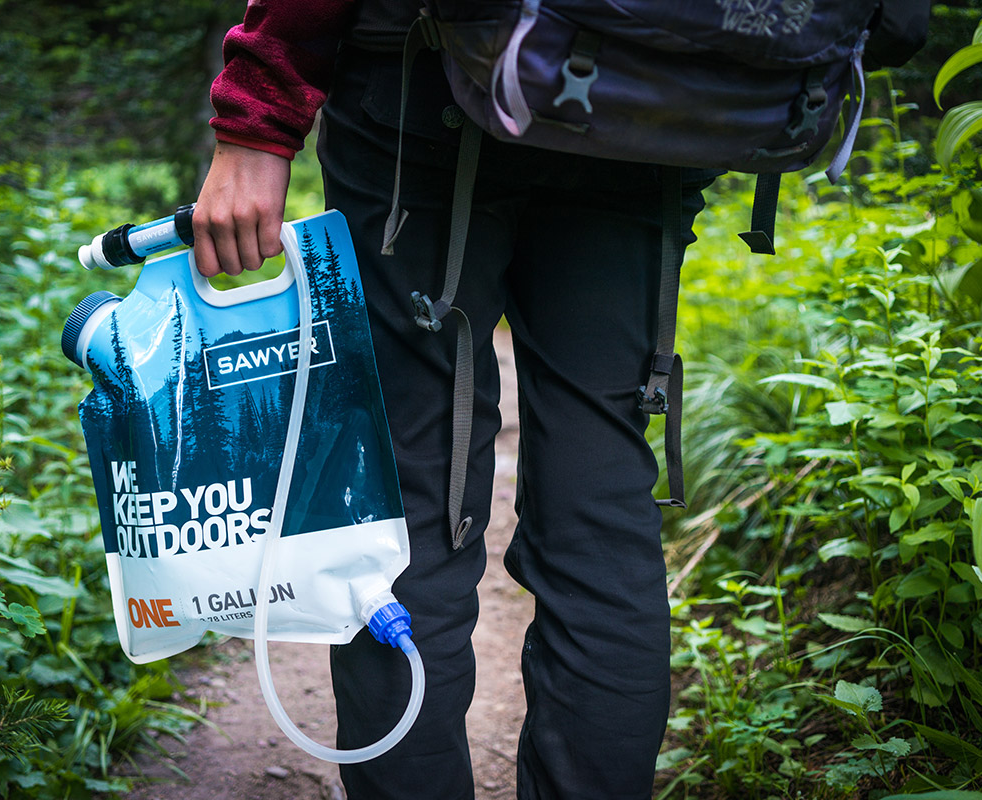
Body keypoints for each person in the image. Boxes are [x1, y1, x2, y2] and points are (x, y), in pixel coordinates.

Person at [192, 2, 714, 798]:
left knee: (406, 504)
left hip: (423, 87)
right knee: (601, 507)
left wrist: (257, 117)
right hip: (640, 103)